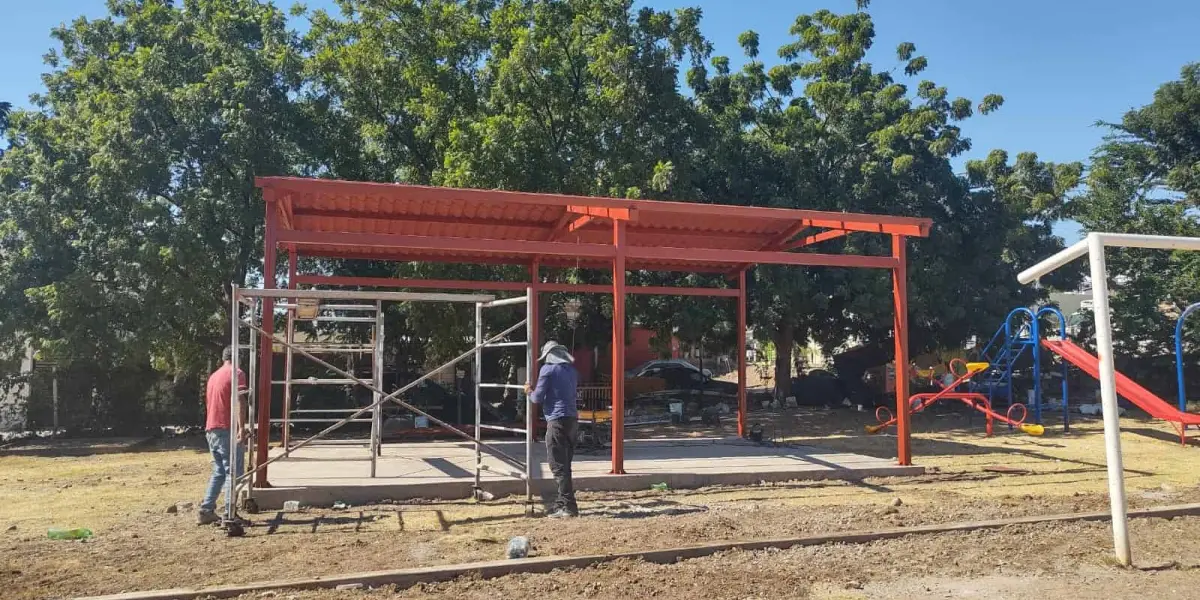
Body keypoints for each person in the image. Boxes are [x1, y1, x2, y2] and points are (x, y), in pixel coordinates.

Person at [525, 341, 579, 518]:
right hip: (572, 419)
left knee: (557, 465)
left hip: (556, 420)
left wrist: (528, 391)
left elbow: (537, 398)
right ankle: (564, 503)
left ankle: (568, 506)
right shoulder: (572, 371)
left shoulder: (547, 370)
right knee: (566, 464)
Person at [198, 346, 248, 525]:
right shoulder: (237, 373)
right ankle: (230, 512)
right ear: (239, 358)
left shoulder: (214, 376)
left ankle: (206, 510)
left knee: (219, 471)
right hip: (227, 429)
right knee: (233, 472)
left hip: (211, 428)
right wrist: (242, 427)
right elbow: (240, 400)